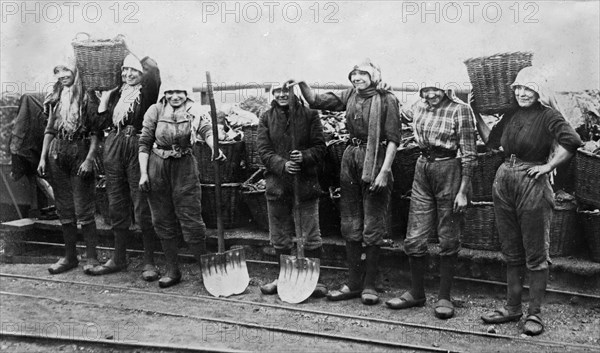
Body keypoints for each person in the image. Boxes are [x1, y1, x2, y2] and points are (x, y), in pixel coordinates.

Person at [474, 67, 582, 335]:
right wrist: (476, 114)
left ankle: (534, 314)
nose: (522, 93)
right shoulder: (511, 114)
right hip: (504, 179)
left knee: (535, 252)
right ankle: (512, 307)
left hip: (532, 181)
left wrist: (548, 167)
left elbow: (573, 141)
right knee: (511, 250)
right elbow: (491, 142)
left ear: (539, 91)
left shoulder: (549, 116)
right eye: (519, 88)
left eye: (529, 88)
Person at [289, 58, 401, 305]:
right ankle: (353, 282)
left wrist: (384, 171)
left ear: (373, 77)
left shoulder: (387, 99)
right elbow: (316, 101)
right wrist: (301, 83)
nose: (357, 78)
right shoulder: (349, 94)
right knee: (350, 221)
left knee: (373, 223)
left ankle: (370, 283)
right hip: (350, 157)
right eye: (354, 74)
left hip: (377, 159)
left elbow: (393, 138)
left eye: (363, 75)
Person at [385, 82, 477, 319]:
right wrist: (387, 92)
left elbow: (469, 153)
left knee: (448, 234)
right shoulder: (419, 105)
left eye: (435, 89)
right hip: (422, 168)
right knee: (415, 234)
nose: (430, 94)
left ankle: (444, 296)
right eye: (425, 90)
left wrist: (463, 191)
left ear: (446, 89)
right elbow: (398, 111)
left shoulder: (460, 109)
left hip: (449, 169)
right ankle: (416, 292)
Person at [138, 81, 225, 288]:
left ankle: (207, 272)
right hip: (157, 166)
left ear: (187, 93)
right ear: (164, 93)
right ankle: (172, 270)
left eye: (179, 92)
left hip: (184, 167)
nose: (175, 96)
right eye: (171, 92)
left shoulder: (195, 110)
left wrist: (214, 148)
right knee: (161, 218)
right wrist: (143, 173)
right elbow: (144, 142)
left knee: (191, 217)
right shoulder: (155, 110)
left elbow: (207, 130)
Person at [87, 54, 162, 281]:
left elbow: (152, 67)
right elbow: (99, 124)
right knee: (116, 202)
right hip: (113, 146)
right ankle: (118, 258)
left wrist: (127, 50)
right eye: (124, 70)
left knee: (141, 203)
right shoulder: (117, 93)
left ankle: (149, 260)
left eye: (133, 71)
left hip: (136, 145)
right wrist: (105, 98)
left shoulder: (147, 92)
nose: (128, 75)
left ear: (141, 74)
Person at [257, 84, 327, 297]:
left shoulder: (310, 115)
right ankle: (283, 277)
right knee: (280, 235)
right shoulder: (266, 117)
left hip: (305, 183)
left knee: (310, 233)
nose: (281, 94)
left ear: (293, 92)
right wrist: (282, 164)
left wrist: (304, 156)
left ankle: (314, 279)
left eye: (285, 90)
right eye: (277, 90)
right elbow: (263, 150)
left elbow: (320, 146)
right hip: (278, 184)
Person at [37, 55, 101, 274]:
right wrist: (43, 157)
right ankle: (69, 257)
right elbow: (49, 130)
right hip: (58, 152)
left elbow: (95, 132)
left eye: (67, 71)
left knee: (84, 208)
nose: (62, 75)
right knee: (64, 207)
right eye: (58, 71)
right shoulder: (55, 96)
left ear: (75, 72)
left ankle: (92, 257)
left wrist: (90, 159)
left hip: (80, 151)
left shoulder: (87, 97)